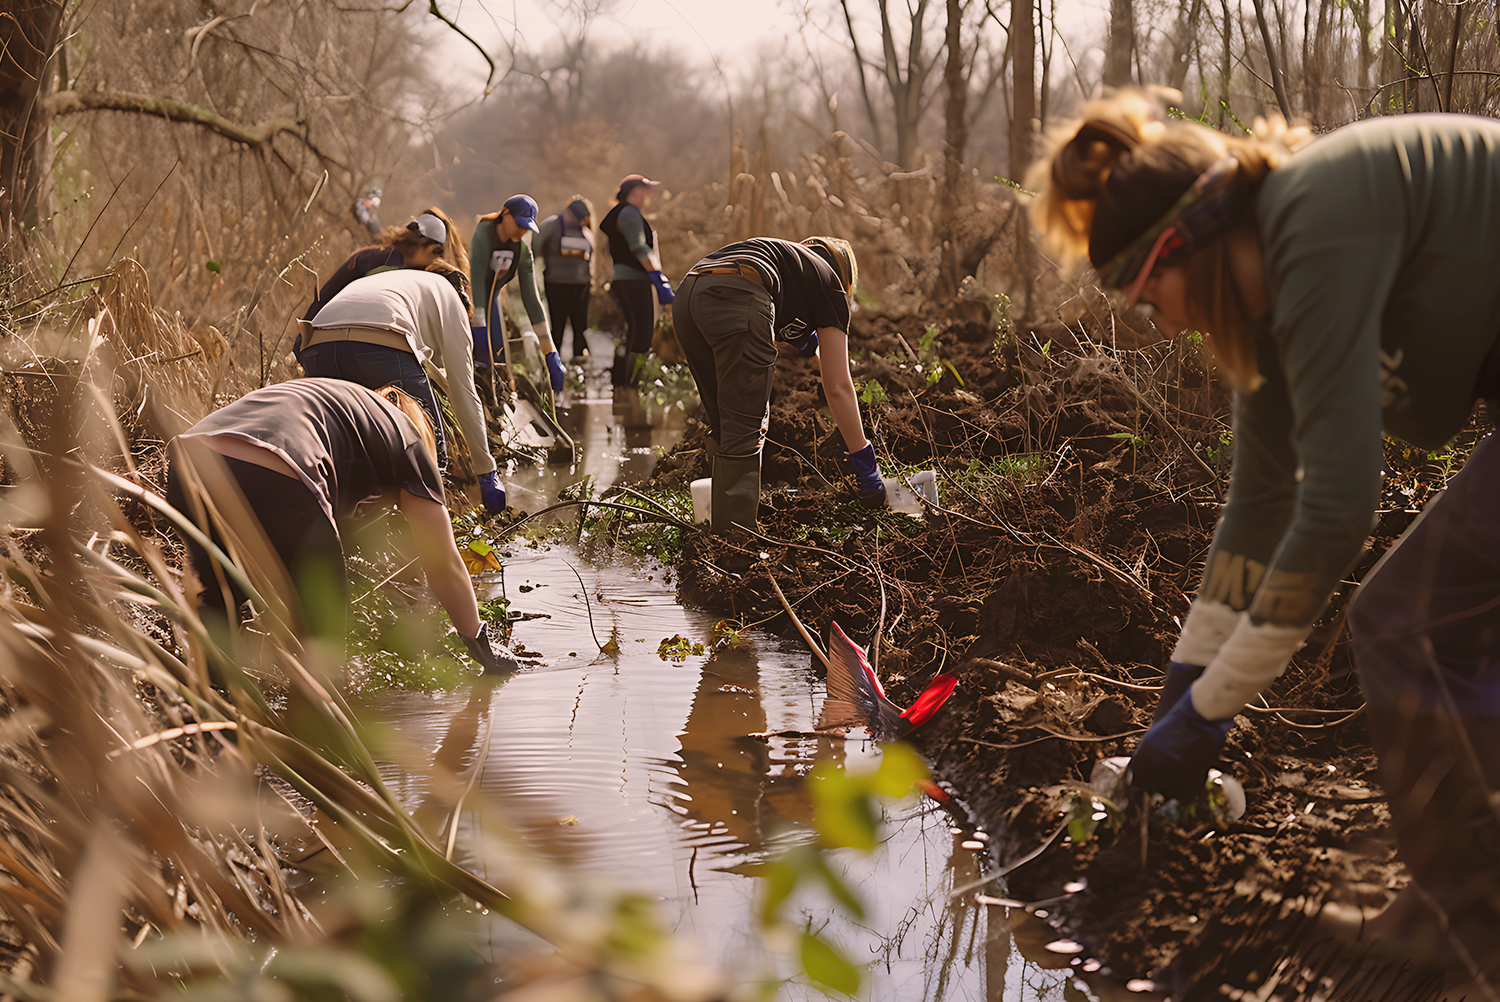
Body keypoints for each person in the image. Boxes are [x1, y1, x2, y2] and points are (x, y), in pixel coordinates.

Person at [1028, 95, 1500, 969]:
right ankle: (1467, 901)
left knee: (1407, 622)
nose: (1161, 324)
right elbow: (1259, 508)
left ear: (1187, 246)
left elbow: (1336, 509)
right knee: (1443, 625)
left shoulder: (1313, 223)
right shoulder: (1272, 297)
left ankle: (1470, 924)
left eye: (1150, 297)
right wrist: (1182, 686)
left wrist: (1206, 718)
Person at [165, 378, 517, 674]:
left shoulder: (345, 409)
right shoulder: (410, 441)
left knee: (220, 595)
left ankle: (217, 719)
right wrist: (479, 643)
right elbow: (444, 562)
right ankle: (323, 743)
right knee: (326, 638)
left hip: (188, 462)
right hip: (278, 465)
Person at [673, 236, 886, 532]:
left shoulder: (795, 267)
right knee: (746, 424)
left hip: (688, 294)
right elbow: (837, 385)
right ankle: (735, 541)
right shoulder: (832, 285)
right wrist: (865, 464)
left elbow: (812, 348)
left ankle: (716, 522)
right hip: (739, 291)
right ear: (844, 277)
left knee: (725, 423)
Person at [296, 261, 507, 516]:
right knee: (428, 452)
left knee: (340, 446)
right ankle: (434, 533)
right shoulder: (451, 297)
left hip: (317, 345)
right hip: (379, 342)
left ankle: (343, 522)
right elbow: (464, 391)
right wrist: (486, 470)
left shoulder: (400, 283)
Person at [300, 207, 469, 326]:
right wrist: (301, 340)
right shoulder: (370, 259)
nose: (437, 260)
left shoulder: (432, 276)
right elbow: (325, 297)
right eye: (437, 253)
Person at [469, 195, 565, 397]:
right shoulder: (484, 233)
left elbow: (532, 300)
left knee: (499, 358)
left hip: (491, 299)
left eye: (527, 227)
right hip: (470, 300)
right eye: (520, 224)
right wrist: (478, 329)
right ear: (505, 214)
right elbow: (477, 280)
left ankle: (499, 402)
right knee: (480, 359)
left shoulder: (522, 249)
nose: (523, 231)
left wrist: (551, 353)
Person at [600, 174, 673, 387]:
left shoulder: (623, 212)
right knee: (641, 334)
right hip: (634, 281)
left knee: (631, 331)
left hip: (624, 280)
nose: (648, 195)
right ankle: (630, 386)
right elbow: (639, 246)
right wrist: (658, 276)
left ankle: (622, 385)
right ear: (633, 192)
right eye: (645, 189)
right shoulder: (629, 212)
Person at [536, 196, 595, 362]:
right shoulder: (551, 225)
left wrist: (591, 281)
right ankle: (554, 359)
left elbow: (591, 259)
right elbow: (535, 248)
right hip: (556, 284)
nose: (577, 220)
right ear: (567, 210)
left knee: (580, 325)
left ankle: (579, 359)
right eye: (574, 216)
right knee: (557, 324)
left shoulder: (585, 231)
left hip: (581, 285)